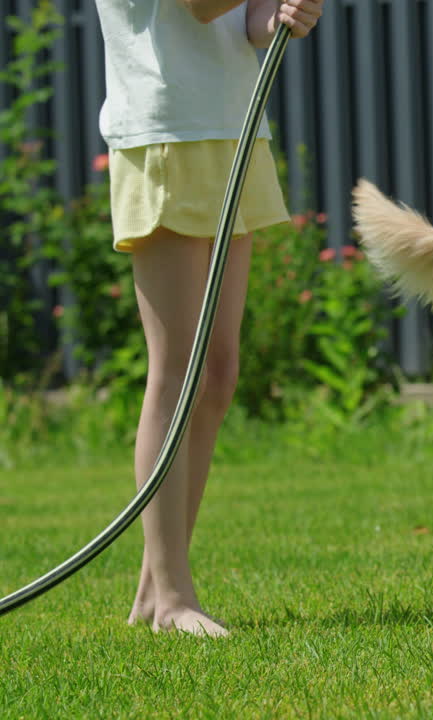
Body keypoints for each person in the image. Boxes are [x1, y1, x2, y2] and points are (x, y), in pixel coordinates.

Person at [95, 0, 324, 636]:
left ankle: (154, 589)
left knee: (218, 370)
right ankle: (172, 595)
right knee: (177, 372)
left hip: (233, 128)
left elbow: (237, 20)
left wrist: (281, 16)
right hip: (165, 132)